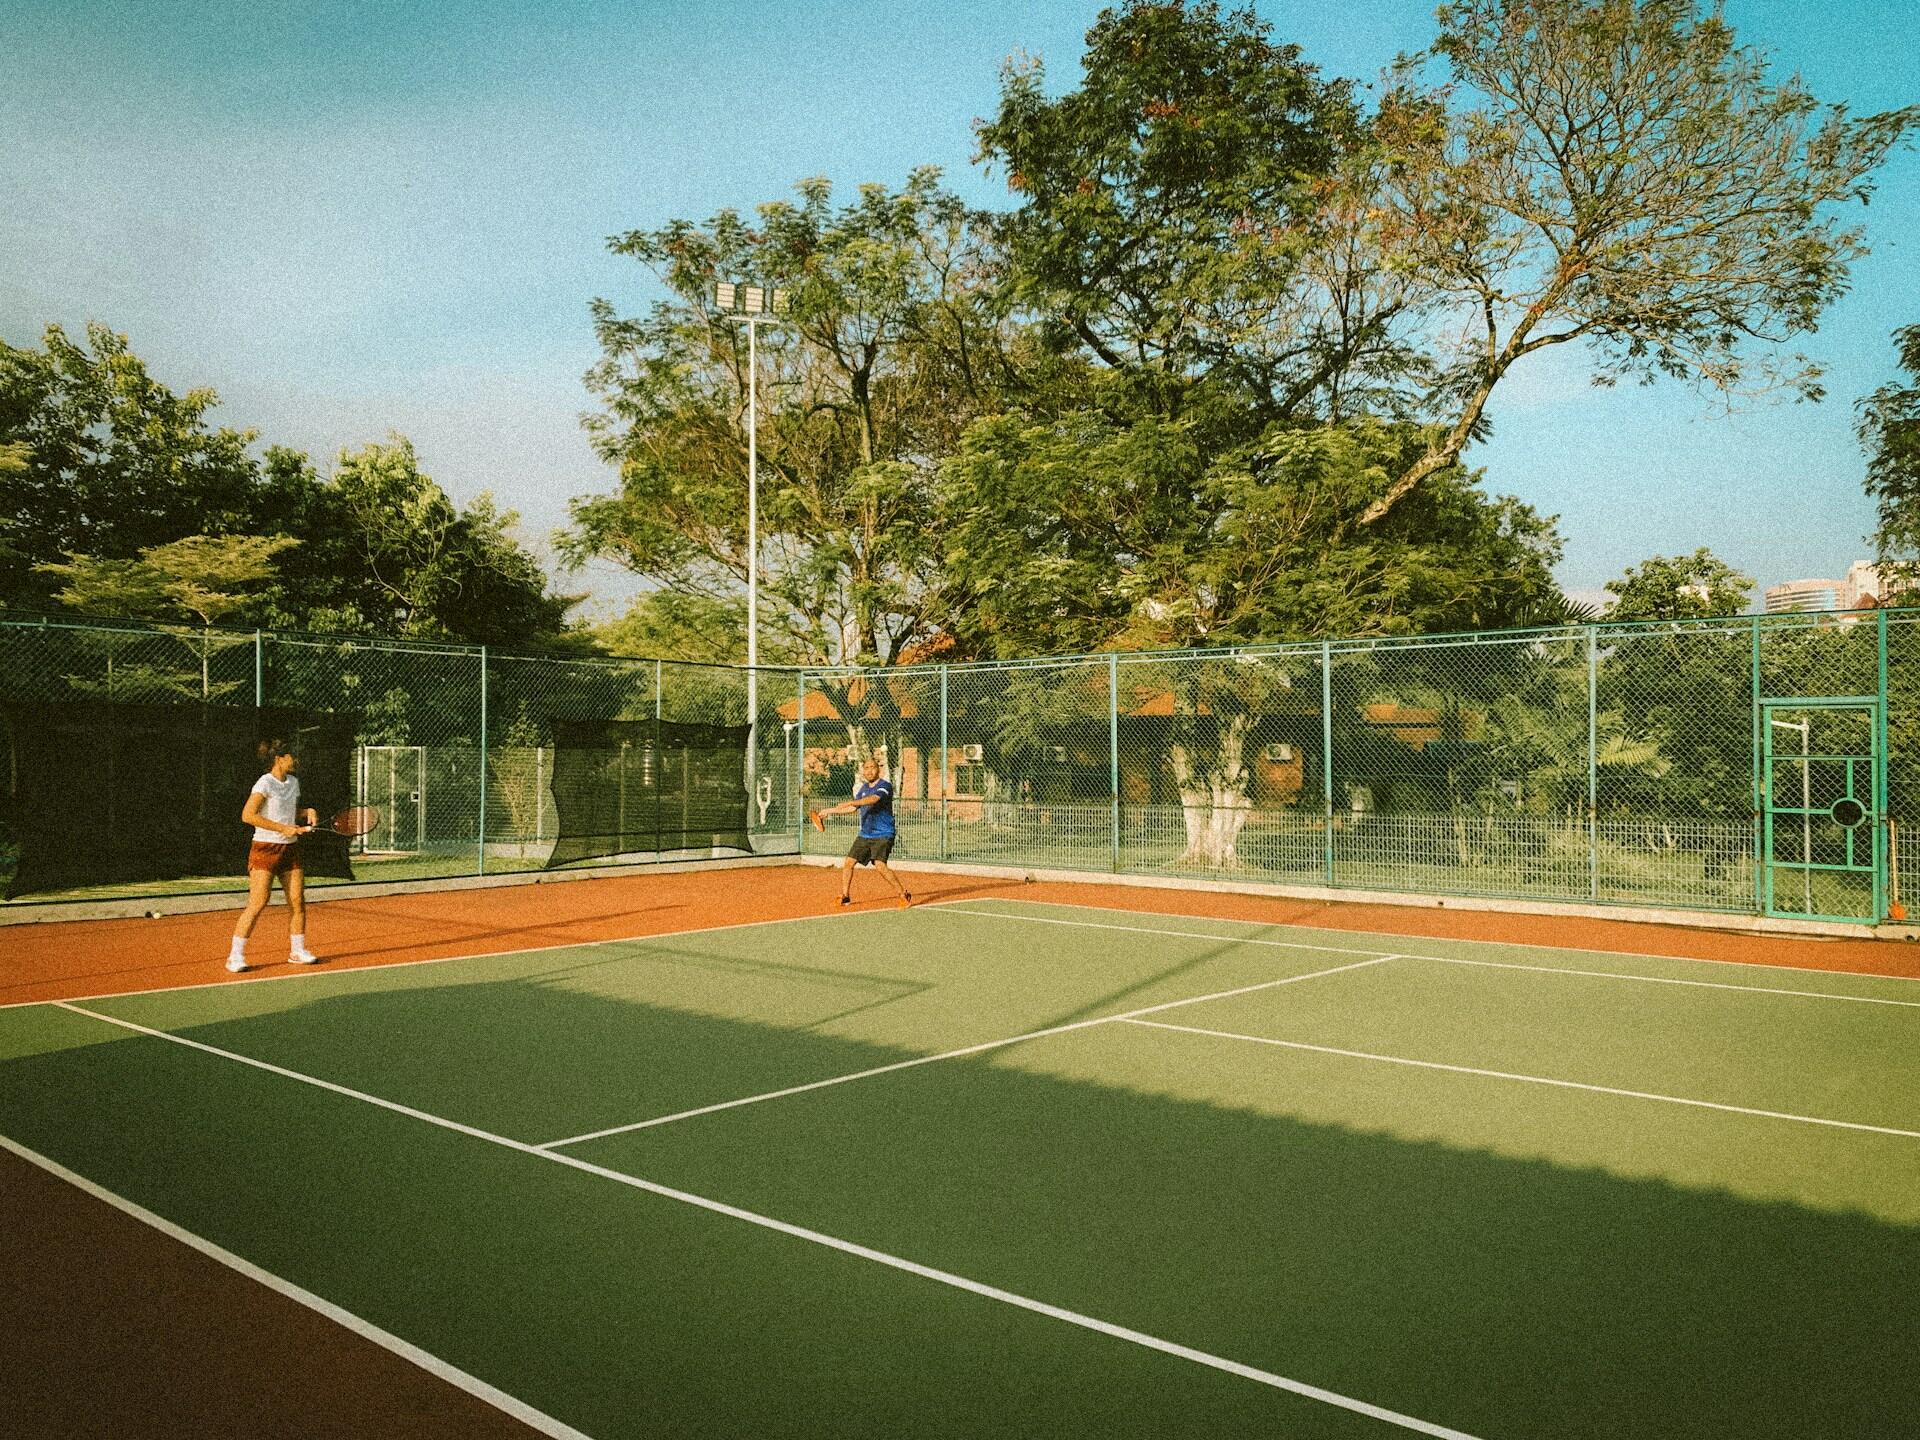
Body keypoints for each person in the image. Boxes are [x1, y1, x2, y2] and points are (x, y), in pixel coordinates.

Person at [226, 739, 321, 972]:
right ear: (279, 759)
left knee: (298, 901)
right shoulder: (264, 783)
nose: (295, 760)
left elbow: (286, 813)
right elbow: (248, 815)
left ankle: (297, 951)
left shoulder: (294, 783)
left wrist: (306, 812)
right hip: (265, 848)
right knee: (258, 902)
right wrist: (282, 829)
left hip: (290, 849)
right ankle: (235, 956)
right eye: (291, 756)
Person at [812, 757, 911, 908]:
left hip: (883, 833)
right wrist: (829, 811)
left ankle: (903, 894)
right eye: (866, 768)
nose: (869, 770)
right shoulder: (864, 788)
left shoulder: (885, 786)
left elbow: (873, 800)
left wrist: (851, 801)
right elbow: (853, 808)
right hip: (865, 834)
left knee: (879, 865)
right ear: (863, 771)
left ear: (878, 769)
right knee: (848, 863)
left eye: (872, 767)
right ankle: (845, 896)